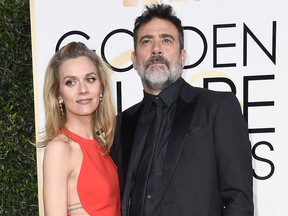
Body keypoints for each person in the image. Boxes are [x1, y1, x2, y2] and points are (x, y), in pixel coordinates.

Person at [111, 4, 254, 216]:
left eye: (166, 40)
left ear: (183, 56)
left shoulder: (217, 107)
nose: (156, 49)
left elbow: (238, 201)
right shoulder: (122, 123)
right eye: (146, 41)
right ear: (134, 59)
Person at [41, 42, 120, 216]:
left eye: (90, 79)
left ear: (101, 87)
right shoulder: (60, 148)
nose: (83, 89)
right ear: (58, 94)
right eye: (71, 82)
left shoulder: (103, 145)